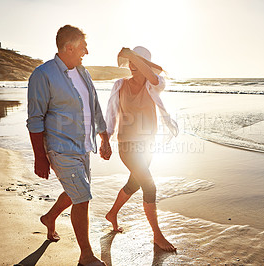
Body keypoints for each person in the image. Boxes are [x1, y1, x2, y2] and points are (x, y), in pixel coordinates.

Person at [27, 25, 111, 266]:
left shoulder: (83, 72)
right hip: (60, 147)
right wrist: (40, 157)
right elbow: (35, 118)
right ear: (69, 47)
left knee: (78, 192)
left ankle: (49, 217)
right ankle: (85, 255)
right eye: (83, 47)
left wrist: (103, 136)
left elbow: (93, 106)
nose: (87, 51)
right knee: (82, 197)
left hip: (83, 146)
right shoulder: (43, 75)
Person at [103, 46, 178, 252]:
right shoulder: (120, 85)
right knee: (149, 186)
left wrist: (133, 55)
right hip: (127, 145)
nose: (133, 66)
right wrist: (105, 140)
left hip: (148, 145)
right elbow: (111, 115)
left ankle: (112, 214)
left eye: (138, 63)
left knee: (133, 184)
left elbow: (154, 78)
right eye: (131, 63)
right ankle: (157, 235)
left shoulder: (154, 85)